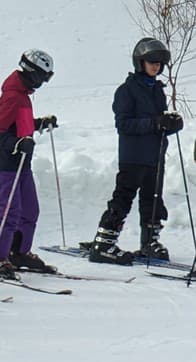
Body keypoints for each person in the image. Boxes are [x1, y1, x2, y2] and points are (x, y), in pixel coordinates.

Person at [88, 38, 183, 264]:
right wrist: (154, 123)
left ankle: (149, 241)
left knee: (153, 199)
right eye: (151, 61)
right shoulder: (127, 90)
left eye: (159, 63)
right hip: (133, 156)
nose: (156, 66)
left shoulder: (157, 90)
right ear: (140, 62)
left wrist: (170, 124)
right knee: (124, 197)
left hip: (154, 154)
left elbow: (156, 125)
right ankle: (104, 243)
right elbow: (124, 124)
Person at [0, 49, 57, 279]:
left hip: (22, 164)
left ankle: (18, 252)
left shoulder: (23, 95)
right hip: (6, 164)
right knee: (10, 212)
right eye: (43, 77)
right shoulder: (12, 96)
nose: (43, 82)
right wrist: (17, 144)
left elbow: (19, 124)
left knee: (30, 210)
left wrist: (39, 123)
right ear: (32, 73)